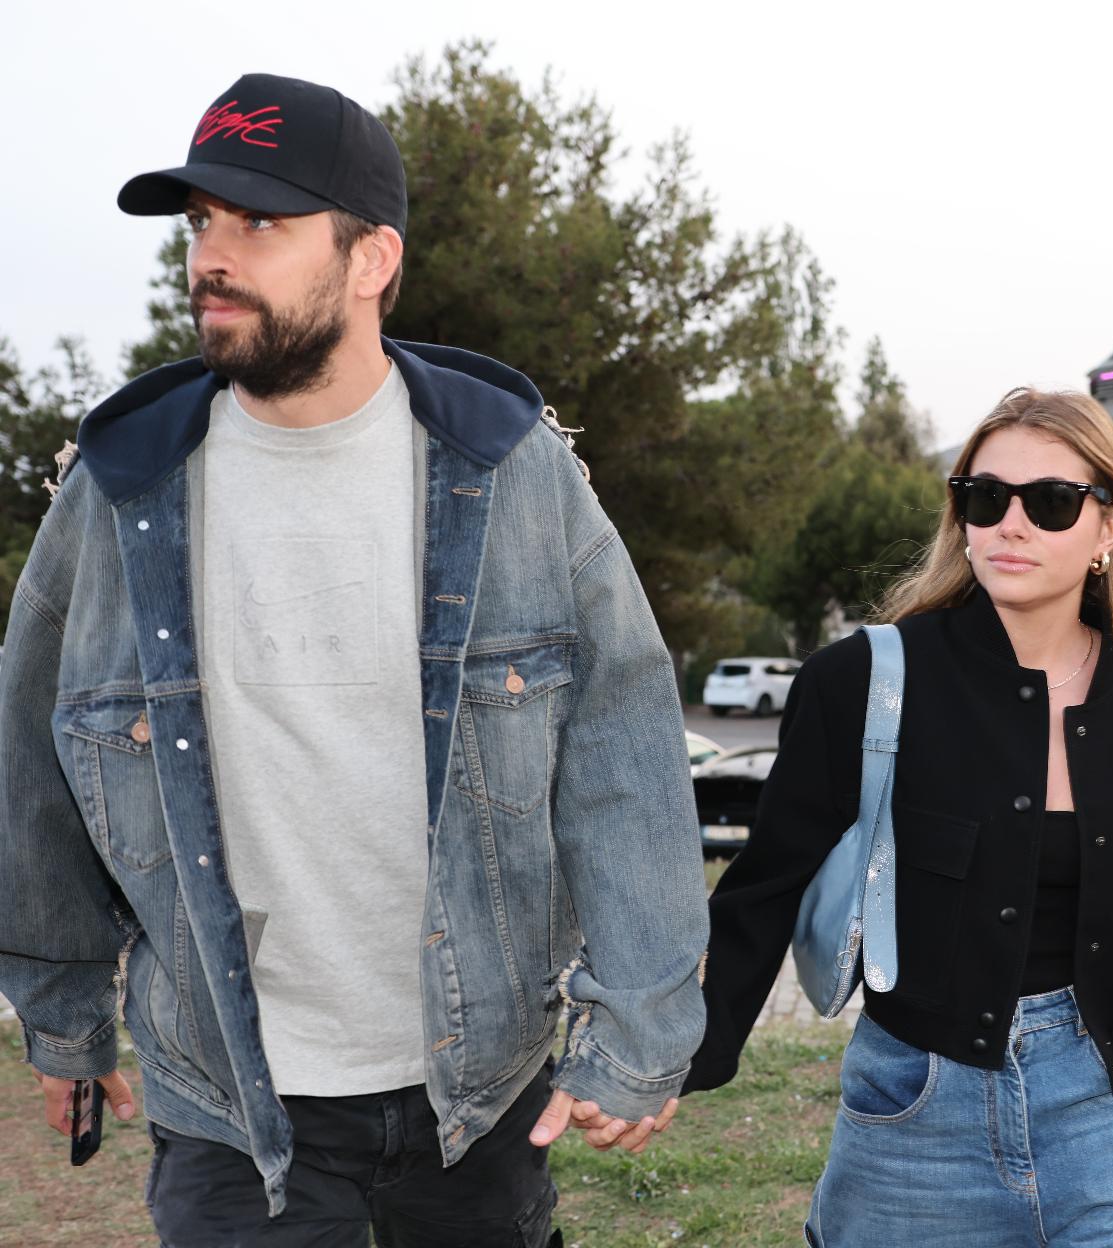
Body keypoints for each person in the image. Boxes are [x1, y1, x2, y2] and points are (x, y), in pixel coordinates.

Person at [0, 73, 708, 1247]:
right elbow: (33, 761)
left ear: (371, 258)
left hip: (476, 1091)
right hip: (228, 1099)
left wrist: (641, 1023)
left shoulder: (511, 472)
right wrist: (63, 1014)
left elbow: (621, 756)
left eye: (259, 224)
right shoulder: (120, 488)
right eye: (202, 223)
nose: (212, 258)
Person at [684, 387, 1113, 1246]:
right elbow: (765, 889)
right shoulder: (857, 682)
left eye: (1050, 502)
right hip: (913, 1117)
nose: (1011, 524)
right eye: (985, 497)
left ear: (1110, 527)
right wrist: (669, 1060)